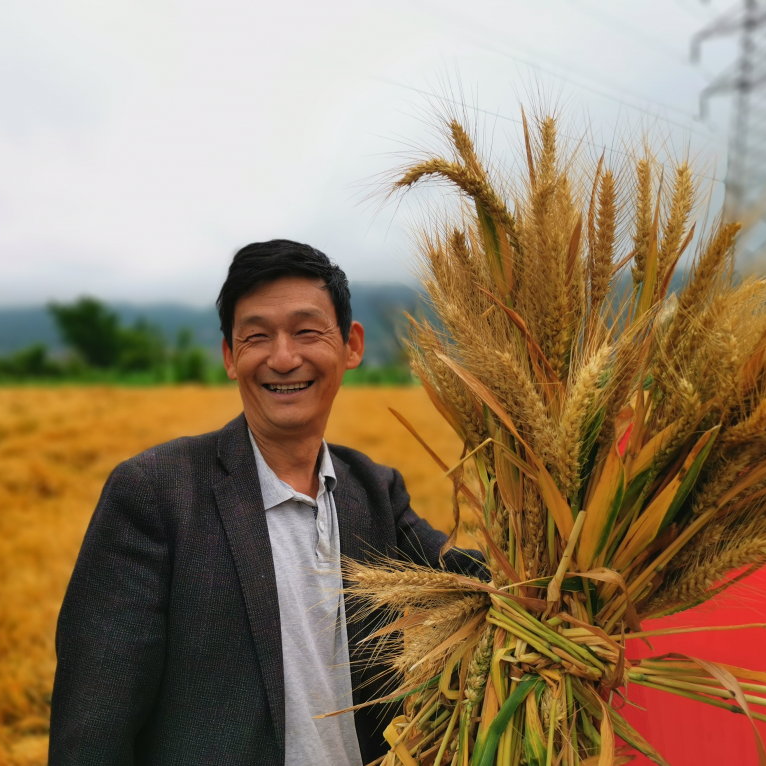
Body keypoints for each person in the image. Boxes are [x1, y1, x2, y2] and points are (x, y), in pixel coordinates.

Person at [48, 239, 487, 765]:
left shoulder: (374, 491)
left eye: (306, 331)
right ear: (230, 357)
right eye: (257, 336)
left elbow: (476, 584)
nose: (283, 358)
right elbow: (92, 729)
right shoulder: (156, 494)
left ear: (351, 345)